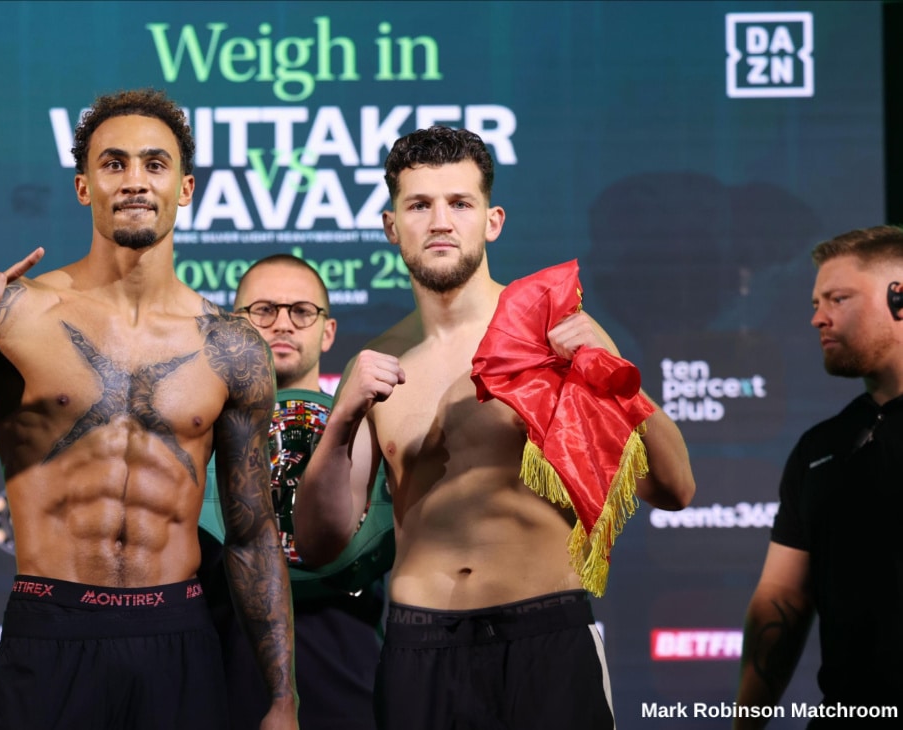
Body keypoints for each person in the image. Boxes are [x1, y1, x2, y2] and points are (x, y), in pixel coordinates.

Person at [0, 88, 296, 730]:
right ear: (83, 187)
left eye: (154, 164)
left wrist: (282, 699)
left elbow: (253, 533)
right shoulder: (17, 313)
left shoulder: (233, 346)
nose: (134, 180)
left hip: (178, 634)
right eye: (113, 163)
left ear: (185, 188)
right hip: (52, 629)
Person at [294, 126, 697, 729]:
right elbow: (320, 541)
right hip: (419, 648)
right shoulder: (374, 364)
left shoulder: (554, 336)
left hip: (545, 636)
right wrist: (342, 419)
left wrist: (616, 376)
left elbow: (674, 487)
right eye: (419, 205)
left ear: (492, 220)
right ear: (391, 226)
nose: (440, 222)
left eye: (459, 203)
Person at [203, 255, 383, 730]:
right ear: (234, 328)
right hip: (225, 685)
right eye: (263, 310)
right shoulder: (192, 436)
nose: (282, 323)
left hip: (350, 683)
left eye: (302, 311)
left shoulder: (375, 430)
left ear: (328, 331)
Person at [734, 225, 903, 728]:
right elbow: (781, 598)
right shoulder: (819, 449)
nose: (817, 318)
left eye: (838, 299)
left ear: (899, 299)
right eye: (816, 302)